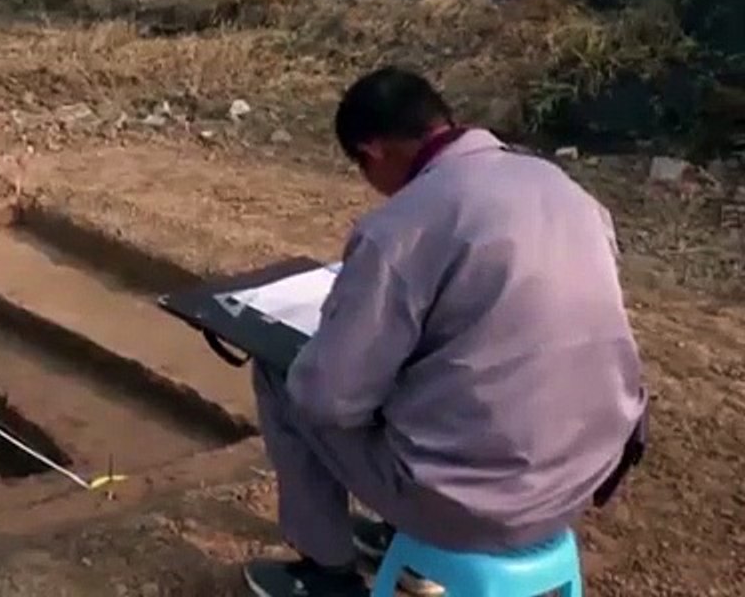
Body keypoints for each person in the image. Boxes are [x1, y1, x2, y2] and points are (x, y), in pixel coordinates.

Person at [242, 67, 648, 597]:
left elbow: (329, 400)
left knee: (285, 377)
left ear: (374, 151)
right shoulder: (562, 188)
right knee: (445, 372)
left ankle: (325, 573)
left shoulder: (403, 227)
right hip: (581, 478)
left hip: (475, 505)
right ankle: (396, 533)